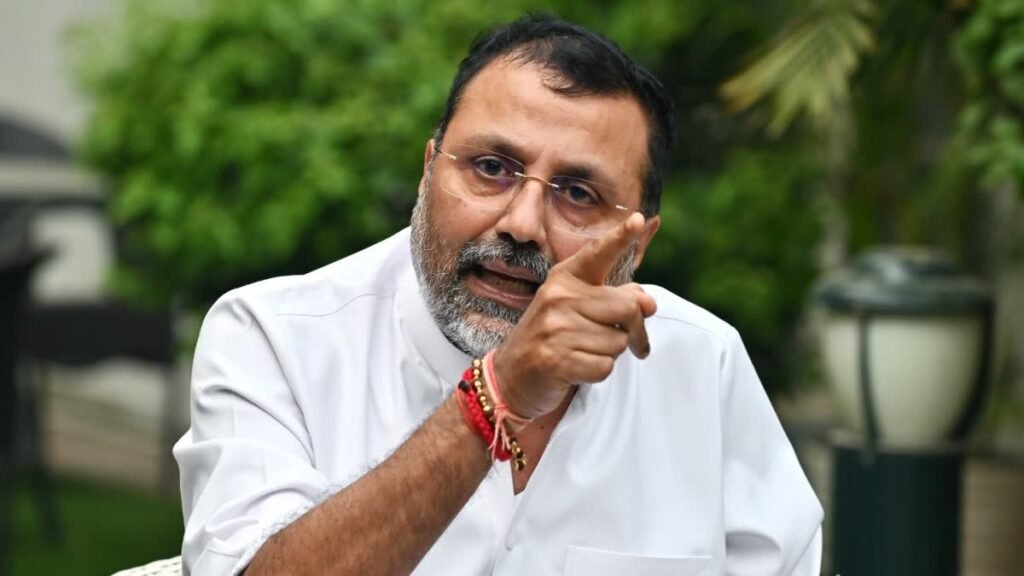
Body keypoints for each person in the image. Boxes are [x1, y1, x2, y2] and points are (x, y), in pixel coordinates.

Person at [174, 14, 823, 576]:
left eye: (579, 194)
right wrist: (497, 397)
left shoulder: (701, 366)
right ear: (428, 171)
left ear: (639, 244)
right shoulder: (273, 338)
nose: (522, 223)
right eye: (491, 168)